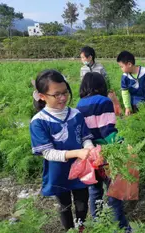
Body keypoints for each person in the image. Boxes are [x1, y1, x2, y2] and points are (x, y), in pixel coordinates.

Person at [30, 70, 94, 232]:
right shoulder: (39, 121)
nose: (63, 98)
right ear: (42, 96)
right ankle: (69, 230)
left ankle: (81, 228)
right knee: (64, 205)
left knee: (82, 202)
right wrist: (77, 153)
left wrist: (89, 148)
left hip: (81, 170)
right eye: (56, 94)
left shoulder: (76, 114)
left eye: (65, 92)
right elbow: (48, 153)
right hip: (58, 172)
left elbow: (85, 137)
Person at [77, 72, 131, 232]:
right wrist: (122, 143)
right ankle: (120, 227)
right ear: (101, 86)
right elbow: (107, 130)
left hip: (89, 154)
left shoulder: (80, 104)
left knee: (95, 191)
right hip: (106, 153)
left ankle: (98, 224)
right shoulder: (104, 101)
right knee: (114, 190)